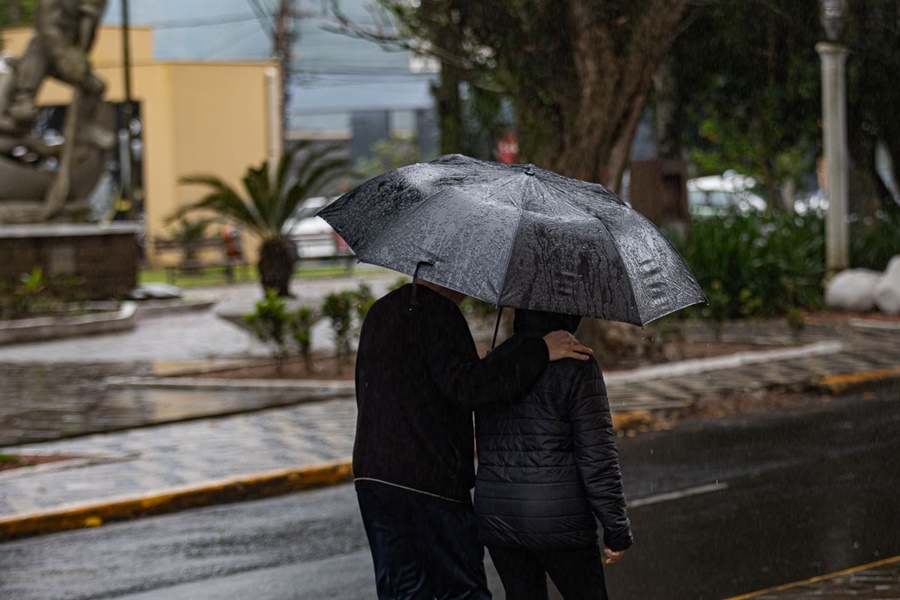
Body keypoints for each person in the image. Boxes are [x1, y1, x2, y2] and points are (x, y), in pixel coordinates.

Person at [353, 278, 593, 600]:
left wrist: (496, 362)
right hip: (430, 481)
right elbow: (468, 387)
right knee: (463, 591)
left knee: (403, 591)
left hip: (373, 477)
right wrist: (539, 348)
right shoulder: (439, 313)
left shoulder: (381, 310)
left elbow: (414, 383)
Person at [474, 309, 633, 600]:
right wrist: (616, 527)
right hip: (559, 521)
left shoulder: (494, 364)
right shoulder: (578, 364)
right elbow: (597, 457)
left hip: (499, 517)